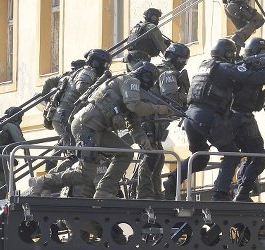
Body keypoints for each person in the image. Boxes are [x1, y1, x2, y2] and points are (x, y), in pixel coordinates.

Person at [165, 38, 265, 202]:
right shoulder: (224, 67)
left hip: (190, 117)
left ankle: (173, 180)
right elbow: (251, 78)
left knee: (200, 157)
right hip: (207, 116)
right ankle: (220, 194)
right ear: (228, 54)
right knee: (231, 154)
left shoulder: (205, 65)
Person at [28, 63, 171, 199]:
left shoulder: (129, 91)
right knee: (85, 174)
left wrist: (142, 140)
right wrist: (157, 108)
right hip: (87, 127)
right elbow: (134, 106)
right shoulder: (129, 81)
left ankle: (104, 190)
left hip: (97, 129)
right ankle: (41, 182)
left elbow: (133, 122)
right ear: (146, 78)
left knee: (125, 154)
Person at [230, 38, 265, 202]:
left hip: (246, 118)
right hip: (236, 117)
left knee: (256, 158)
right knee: (251, 158)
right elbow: (249, 78)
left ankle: (242, 191)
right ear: (252, 53)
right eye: (261, 53)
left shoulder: (259, 70)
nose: (263, 57)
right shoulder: (240, 67)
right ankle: (239, 191)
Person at [135, 43, 191, 200]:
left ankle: (155, 193)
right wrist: (190, 95)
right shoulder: (167, 73)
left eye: (184, 59)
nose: (182, 62)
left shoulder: (161, 70)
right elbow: (171, 97)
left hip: (153, 118)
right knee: (150, 156)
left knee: (158, 158)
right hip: (149, 118)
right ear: (172, 57)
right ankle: (145, 194)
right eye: (180, 58)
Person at [49, 50, 111, 149]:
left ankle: (51, 163)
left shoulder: (85, 71)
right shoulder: (88, 72)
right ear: (96, 62)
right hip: (65, 118)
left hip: (65, 118)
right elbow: (81, 87)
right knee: (77, 155)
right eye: (105, 64)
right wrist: (95, 99)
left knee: (76, 153)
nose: (106, 67)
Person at [0, 107, 26, 198]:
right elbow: (20, 141)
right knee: (5, 182)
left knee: (4, 181)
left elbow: (3, 144)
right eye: (20, 116)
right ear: (16, 117)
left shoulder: (2, 125)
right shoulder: (10, 125)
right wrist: (27, 153)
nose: (21, 119)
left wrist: (10, 158)